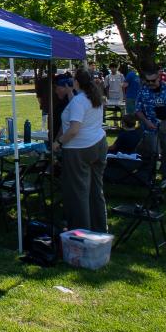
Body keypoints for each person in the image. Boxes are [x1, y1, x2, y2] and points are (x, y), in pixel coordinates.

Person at [57, 69, 108, 232]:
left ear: (77, 82)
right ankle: (100, 228)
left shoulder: (80, 101)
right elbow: (77, 108)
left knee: (78, 192)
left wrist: (58, 142)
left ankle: (81, 233)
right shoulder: (93, 97)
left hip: (79, 149)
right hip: (98, 144)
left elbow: (74, 129)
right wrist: (71, 93)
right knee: (95, 190)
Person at [134, 63, 166, 182]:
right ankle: (149, 177)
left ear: (159, 78)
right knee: (151, 152)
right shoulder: (143, 90)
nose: (150, 83)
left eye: (153, 81)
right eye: (147, 81)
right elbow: (138, 110)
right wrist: (146, 121)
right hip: (150, 125)